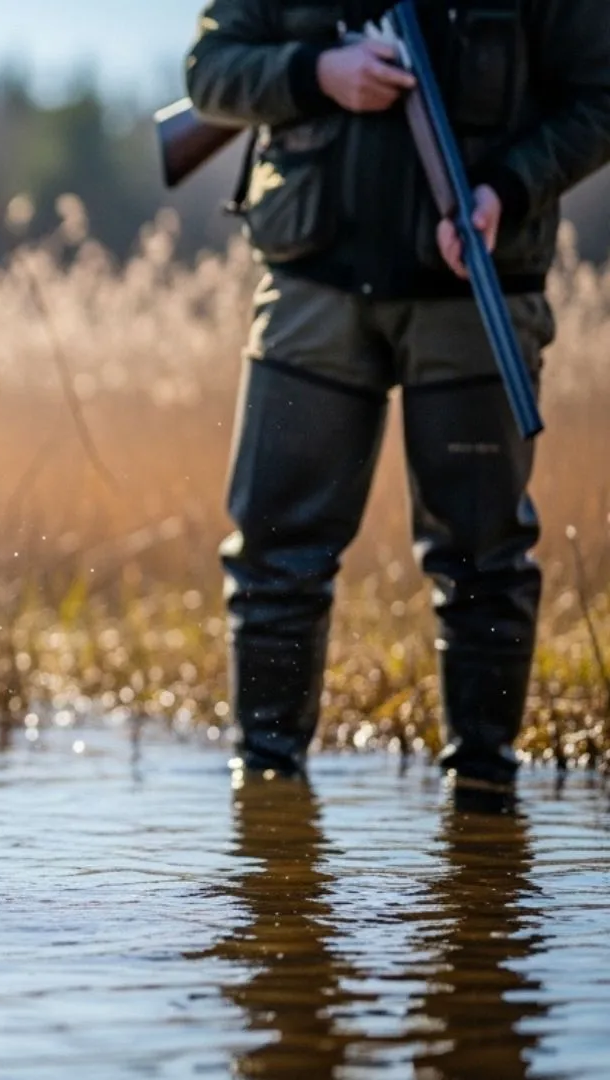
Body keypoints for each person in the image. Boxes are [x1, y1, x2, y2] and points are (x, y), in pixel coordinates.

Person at [186, 1, 610, 787]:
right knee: (275, 553)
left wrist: (506, 190)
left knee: (484, 561)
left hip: (474, 286)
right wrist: (319, 73)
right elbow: (209, 73)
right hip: (314, 287)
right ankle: (266, 798)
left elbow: (599, 97)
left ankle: (483, 793)